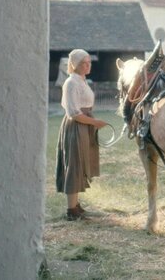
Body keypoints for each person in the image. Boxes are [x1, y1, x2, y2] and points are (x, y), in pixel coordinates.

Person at [55, 49, 108, 221]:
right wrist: (94, 122)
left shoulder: (82, 81)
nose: (88, 65)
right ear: (75, 65)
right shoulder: (71, 83)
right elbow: (74, 113)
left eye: (89, 62)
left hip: (84, 125)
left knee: (80, 163)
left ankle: (76, 205)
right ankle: (71, 210)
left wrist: (92, 122)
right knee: (75, 164)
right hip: (76, 126)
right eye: (84, 63)